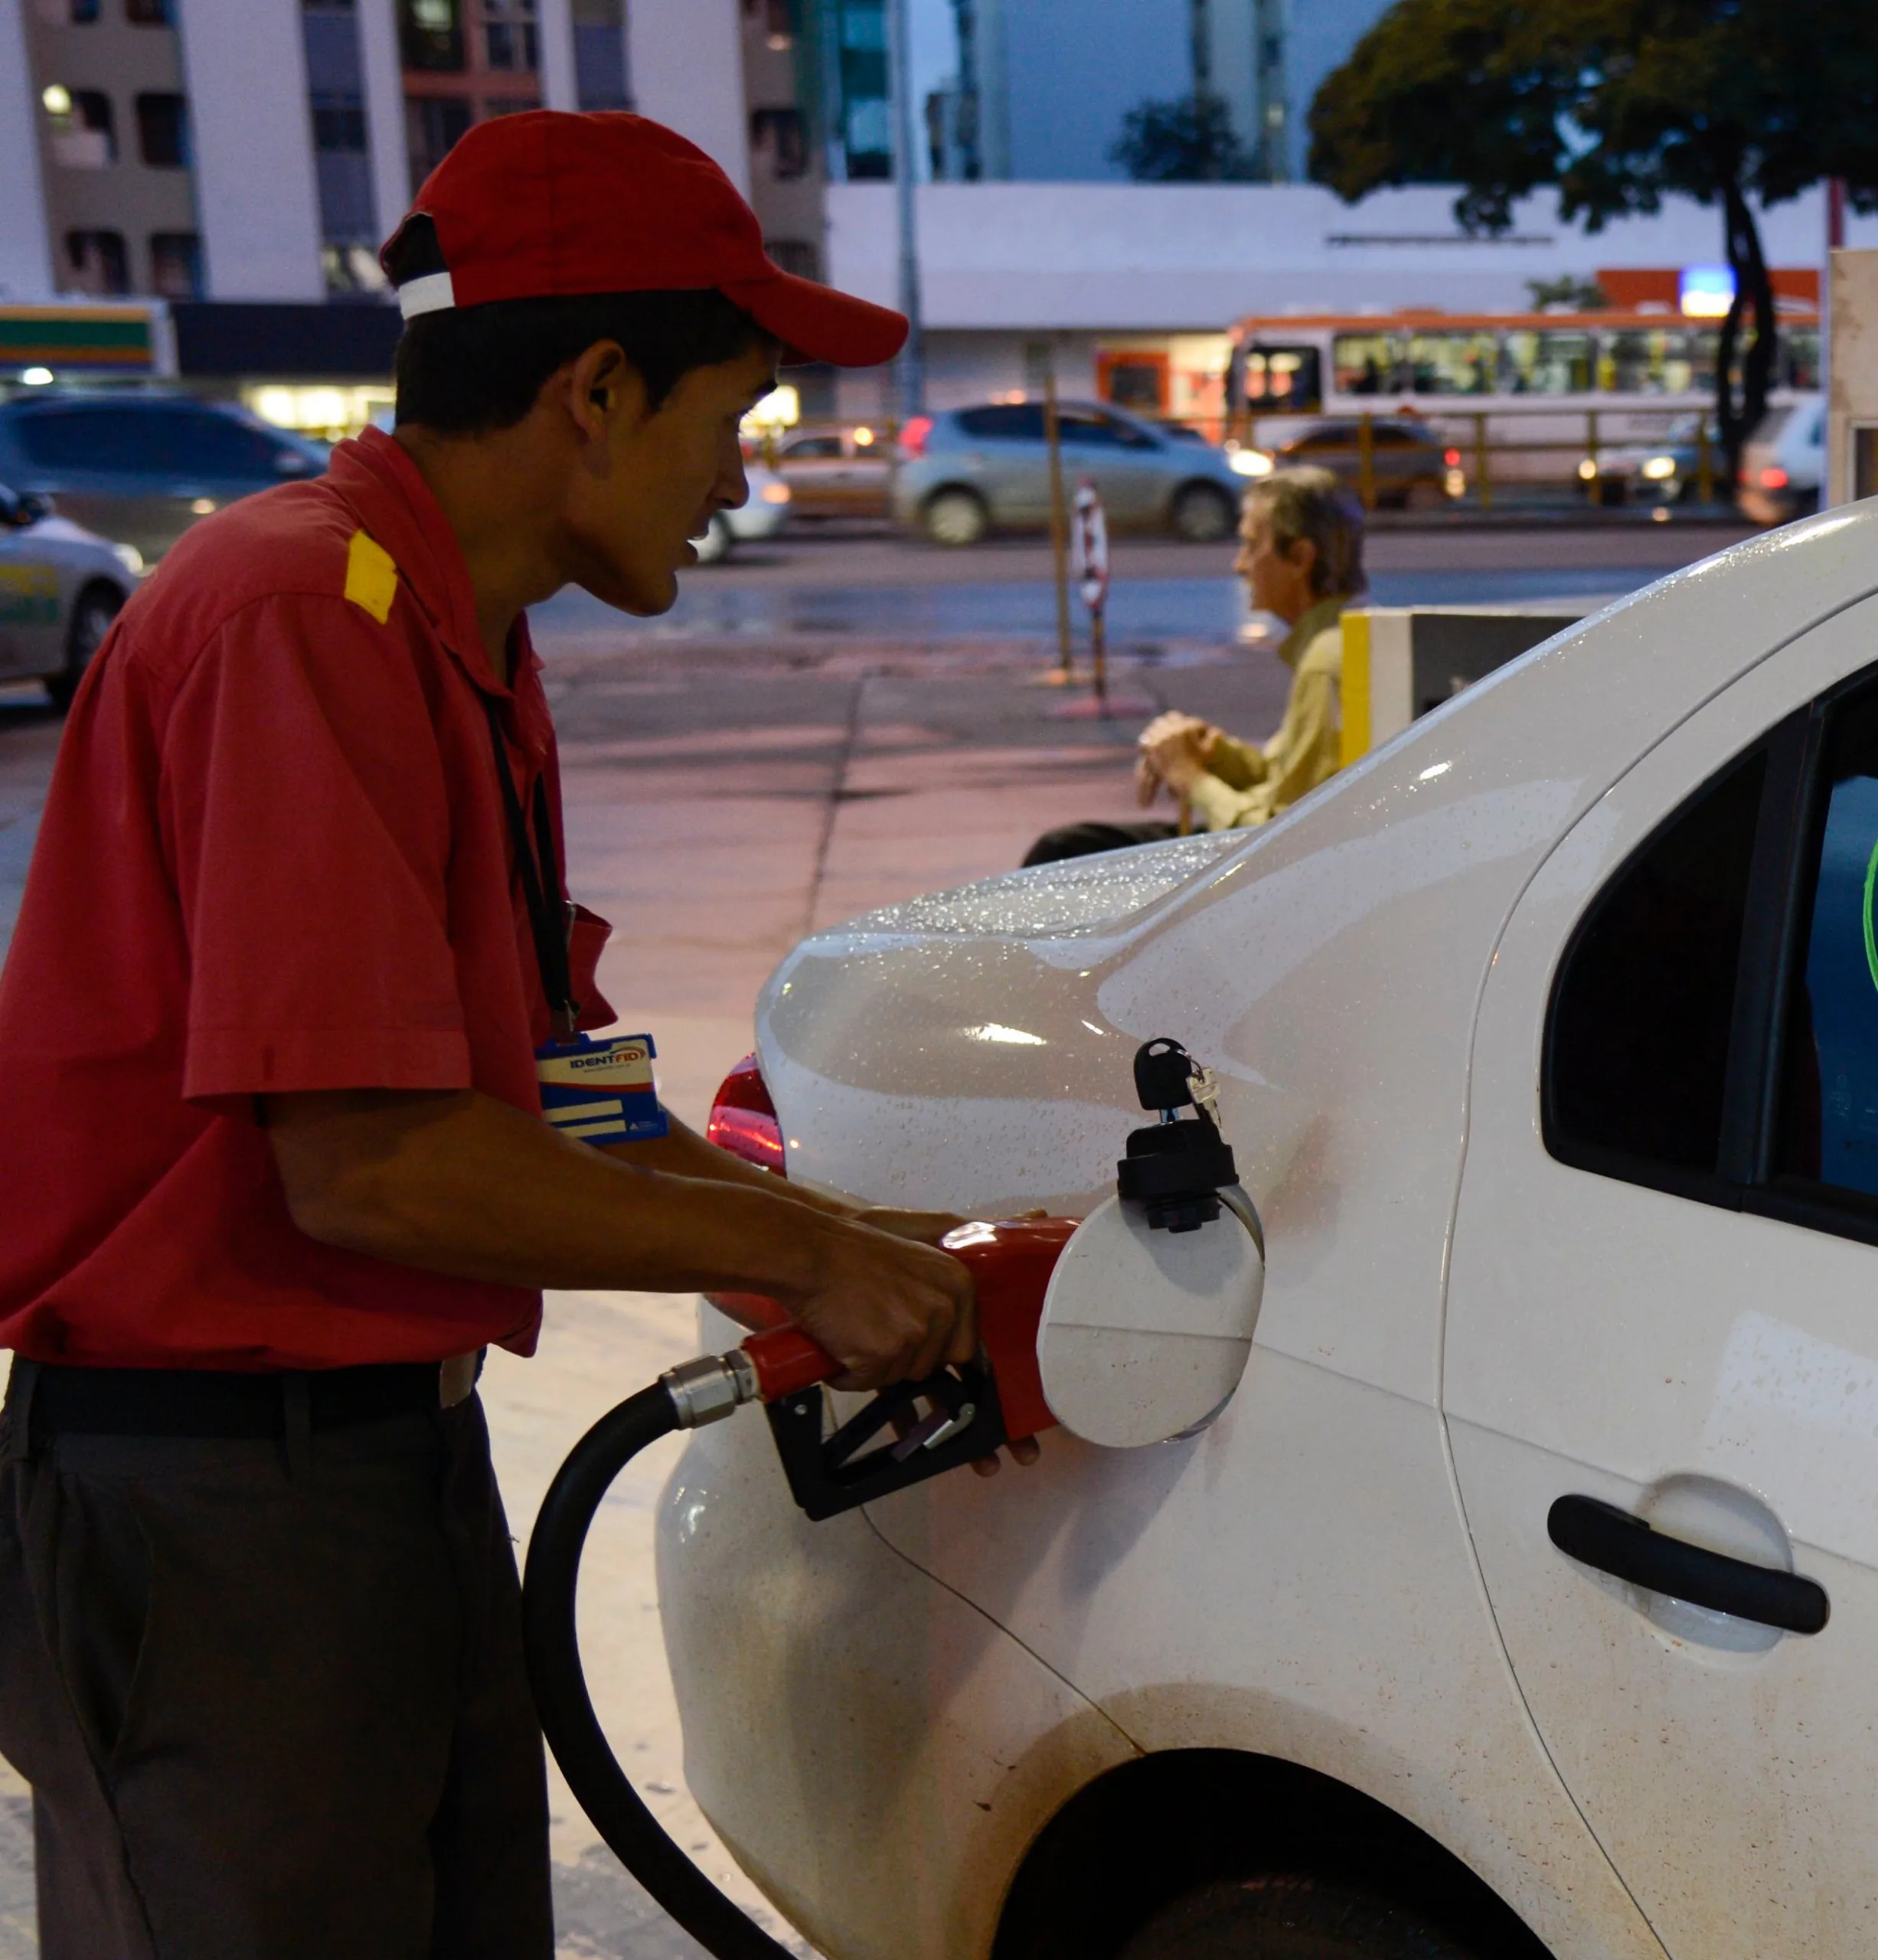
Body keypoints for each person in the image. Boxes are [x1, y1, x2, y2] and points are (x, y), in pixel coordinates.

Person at [0, 112, 1007, 1960]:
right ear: (600, 391)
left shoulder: (463, 635)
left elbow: (556, 1090)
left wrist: (860, 1245)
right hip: (217, 1502)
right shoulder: (306, 609)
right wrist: (794, 1253)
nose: (737, 472)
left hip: (379, 1463)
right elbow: (372, 1161)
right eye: (737, 414)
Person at [1022, 467, 1366, 867]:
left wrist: (1191, 778)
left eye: (1251, 546)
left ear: (1301, 558)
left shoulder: (1326, 660)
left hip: (1265, 861)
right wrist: (1215, 753)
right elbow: (1284, 775)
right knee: (1074, 846)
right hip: (1262, 836)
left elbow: (1280, 839)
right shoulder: (1337, 637)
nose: (1241, 565)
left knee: (1064, 852)